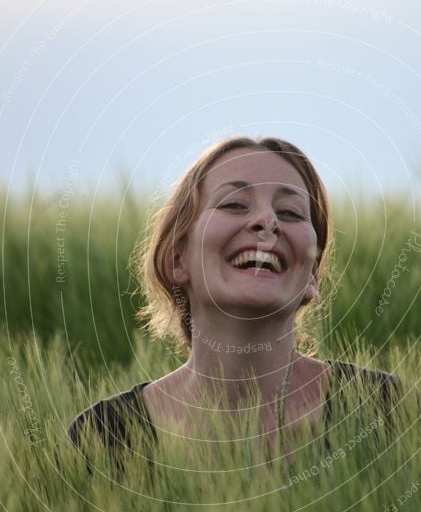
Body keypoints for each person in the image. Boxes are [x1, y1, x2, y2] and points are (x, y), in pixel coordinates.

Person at [68, 136, 401, 470]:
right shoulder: (102, 438)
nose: (267, 221)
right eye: (233, 204)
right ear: (177, 259)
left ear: (312, 276)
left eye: (290, 212)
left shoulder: (387, 412)